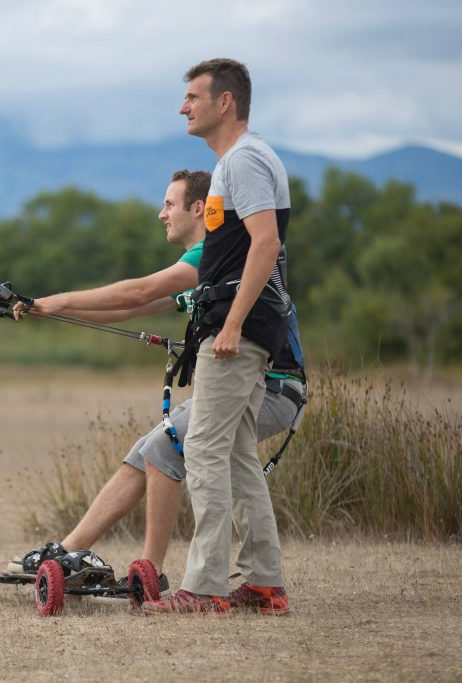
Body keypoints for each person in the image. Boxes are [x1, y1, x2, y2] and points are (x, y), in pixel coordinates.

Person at [6, 169, 306, 603]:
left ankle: (149, 575)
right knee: (144, 450)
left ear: (198, 208)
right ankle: (68, 550)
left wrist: (58, 300)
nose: (160, 213)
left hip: (274, 391)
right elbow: (131, 309)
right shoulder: (206, 263)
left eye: (169, 204)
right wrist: (52, 312)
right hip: (253, 389)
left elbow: (137, 291)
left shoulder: (213, 254)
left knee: (165, 445)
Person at [138, 58, 295, 616]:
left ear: (225, 102)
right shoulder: (240, 162)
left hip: (240, 330)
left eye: (193, 97)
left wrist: (230, 325)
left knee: (203, 447)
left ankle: (202, 589)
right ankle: (264, 583)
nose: (184, 107)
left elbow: (266, 244)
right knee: (233, 454)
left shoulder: (245, 159)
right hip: (251, 328)